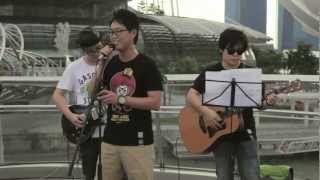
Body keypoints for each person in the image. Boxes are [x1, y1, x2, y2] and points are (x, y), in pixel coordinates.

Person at [186, 28, 277, 180]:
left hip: (245, 134)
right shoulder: (211, 71)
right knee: (224, 175)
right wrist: (206, 112)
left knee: (251, 175)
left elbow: (260, 103)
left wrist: (268, 102)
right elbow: (191, 95)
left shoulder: (251, 74)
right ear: (221, 50)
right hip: (220, 136)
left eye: (240, 51)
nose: (236, 54)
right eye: (231, 50)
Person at [91, 9, 163, 180]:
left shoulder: (147, 65)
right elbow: (92, 93)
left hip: (137, 141)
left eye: (119, 31)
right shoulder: (110, 64)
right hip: (110, 139)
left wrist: (120, 99)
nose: (114, 36)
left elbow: (155, 102)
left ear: (133, 33)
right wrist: (100, 63)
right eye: (112, 32)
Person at [52, 27, 109, 180]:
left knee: (111, 173)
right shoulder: (74, 68)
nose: (97, 52)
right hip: (87, 130)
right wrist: (71, 116)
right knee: (89, 173)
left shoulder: (111, 64)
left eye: (99, 47)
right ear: (85, 50)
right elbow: (58, 95)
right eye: (92, 50)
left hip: (111, 130)